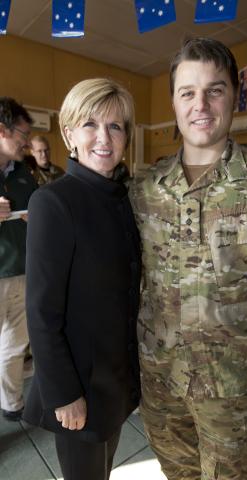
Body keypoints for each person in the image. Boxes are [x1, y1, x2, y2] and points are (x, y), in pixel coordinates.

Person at [130, 38, 247, 480]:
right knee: (177, 472)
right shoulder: (143, 188)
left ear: (235, 95)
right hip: (161, 378)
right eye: (188, 92)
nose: (201, 104)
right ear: (175, 103)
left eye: (215, 90)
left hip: (231, 383)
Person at [23, 78, 141, 480]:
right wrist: (64, 395)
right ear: (69, 133)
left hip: (116, 382)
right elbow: (41, 312)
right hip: (79, 390)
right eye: (90, 124)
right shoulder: (54, 202)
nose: (104, 137)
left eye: (115, 126)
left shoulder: (123, 199)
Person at [0, 97, 37, 422]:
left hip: (23, 272)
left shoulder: (24, 172)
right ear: (2, 130)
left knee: (14, 345)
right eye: (22, 133)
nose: (27, 141)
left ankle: (12, 405)